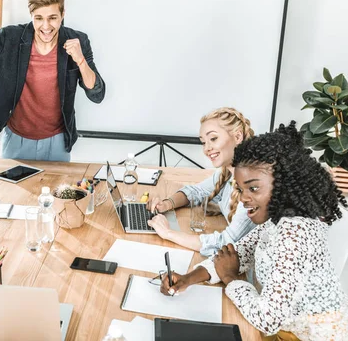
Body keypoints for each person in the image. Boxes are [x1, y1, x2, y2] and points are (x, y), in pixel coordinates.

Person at [160, 122, 348, 340]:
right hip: (287, 332)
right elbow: (237, 253)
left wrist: (230, 277)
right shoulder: (279, 220)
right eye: (240, 189)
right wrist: (188, 278)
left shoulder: (296, 232)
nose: (243, 198)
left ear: (283, 185)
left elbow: (267, 319)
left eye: (253, 188)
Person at [0, 0, 106, 161]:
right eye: (38, 18)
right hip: (16, 139)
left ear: (62, 14)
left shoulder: (77, 41)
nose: (46, 26)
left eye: (52, 18)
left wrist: (80, 60)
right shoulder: (9, 38)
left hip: (58, 140)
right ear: (31, 16)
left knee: (58, 190)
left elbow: (97, 94)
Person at [148, 107, 256, 256]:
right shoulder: (227, 173)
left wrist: (168, 233)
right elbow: (195, 191)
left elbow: (225, 244)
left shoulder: (253, 186)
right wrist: (166, 204)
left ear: (237, 137)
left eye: (213, 139)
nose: (207, 149)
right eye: (203, 142)